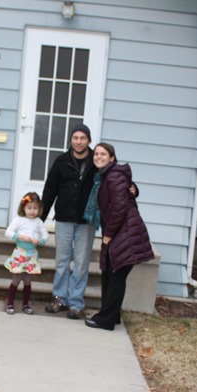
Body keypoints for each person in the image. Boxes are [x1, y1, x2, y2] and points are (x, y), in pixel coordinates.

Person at [41, 123, 136, 320]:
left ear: (88, 140)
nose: (78, 141)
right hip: (64, 218)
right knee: (62, 261)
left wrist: (134, 188)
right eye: (75, 138)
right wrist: (39, 219)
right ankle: (60, 298)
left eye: (82, 138)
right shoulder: (61, 161)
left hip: (87, 220)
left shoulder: (97, 161)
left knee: (82, 263)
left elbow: (118, 176)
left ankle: (76, 303)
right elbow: (50, 190)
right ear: (70, 140)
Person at [85, 142, 154, 331]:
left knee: (115, 277)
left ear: (112, 158)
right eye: (96, 154)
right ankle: (111, 315)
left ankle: (106, 319)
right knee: (110, 274)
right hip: (121, 231)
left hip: (124, 233)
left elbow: (120, 207)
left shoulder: (113, 176)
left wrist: (108, 234)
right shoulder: (107, 176)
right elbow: (126, 195)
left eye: (103, 154)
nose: (98, 157)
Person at [4, 191, 49, 315]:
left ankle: (26, 304)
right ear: (23, 207)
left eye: (35, 208)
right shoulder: (19, 220)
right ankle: (10, 303)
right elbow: (8, 232)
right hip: (20, 254)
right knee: (16, 279)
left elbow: (45, 234)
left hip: (32, 255)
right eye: (29, 208)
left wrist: (40, 240)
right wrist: (20, 236)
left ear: (39, 209)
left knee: (28, 280)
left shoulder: (38, 222)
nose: (32, 211)